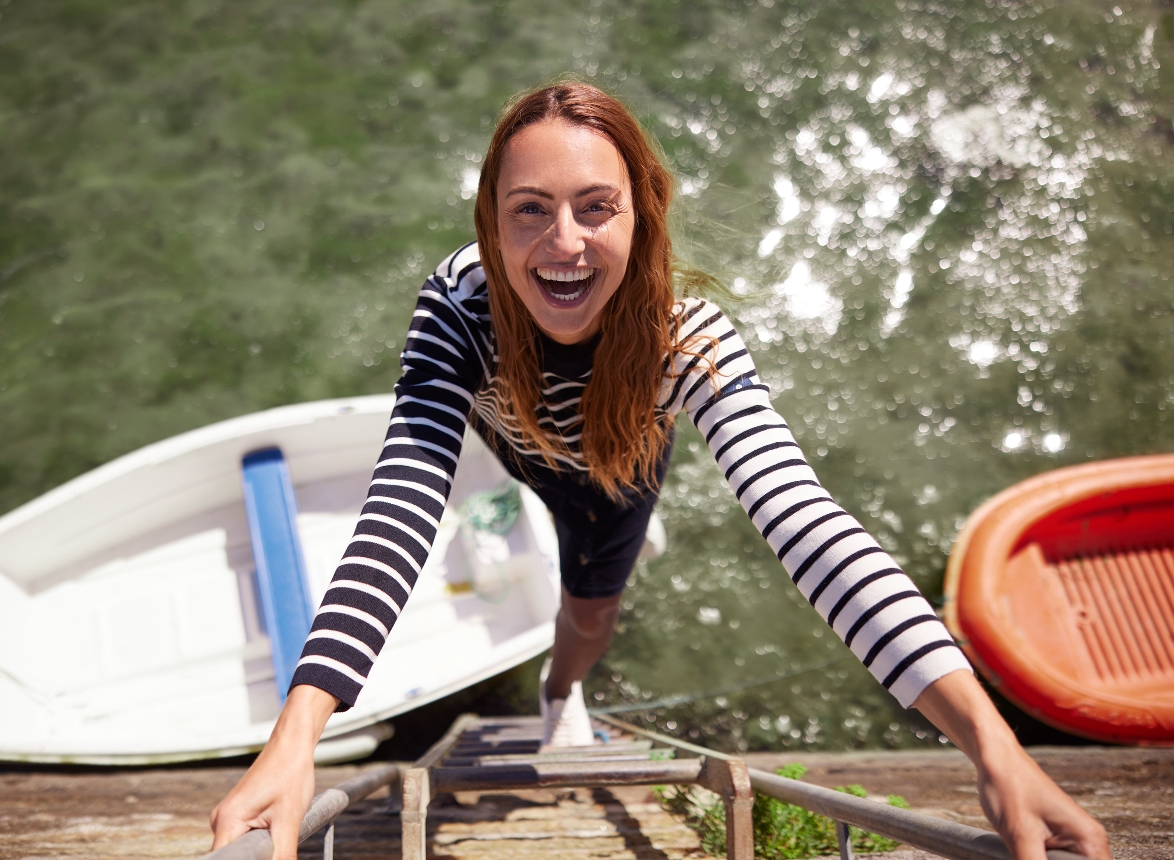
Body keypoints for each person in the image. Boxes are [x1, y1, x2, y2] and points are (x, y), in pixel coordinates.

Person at [211, 81, 1110, 860]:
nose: (562, 243)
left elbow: (807, 523)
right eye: (530, 208)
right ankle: (539, 545)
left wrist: (994, 747)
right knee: (482, 497)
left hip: (615, 470)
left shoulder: (690, 343)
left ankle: (561, 689)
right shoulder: (458, 306)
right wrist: (297, 737)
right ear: (489, 219)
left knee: (591, 604)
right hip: (513, 443)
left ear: (644, 213)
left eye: (596, 206)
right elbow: (400, 507)